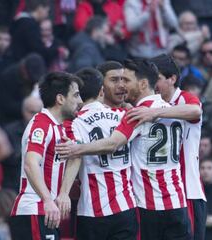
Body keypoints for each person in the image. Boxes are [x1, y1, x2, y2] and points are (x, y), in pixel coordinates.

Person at [56, 59, 191, 240]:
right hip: (177, 201)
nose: (123, 86)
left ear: (143, 84)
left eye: (127, 80)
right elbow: (196, 110)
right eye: (117, 80)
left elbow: (113, 144)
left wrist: (77, 149)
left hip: (148, 206)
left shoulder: (135, 115)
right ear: (101, 88)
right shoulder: (173, 110)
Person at [126, 54, 206, 240]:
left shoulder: (185, 99)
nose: (155, 85)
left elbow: (196, 111)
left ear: (172, 79)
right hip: (155, 193)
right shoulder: (146, 104)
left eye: (159, 79)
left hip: (187, 189)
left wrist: (154, 113)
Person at [56, 68, 137, 240]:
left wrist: (64, 192)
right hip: (125, 206)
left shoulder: (72, 123)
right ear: (101, 91)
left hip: (91, 210)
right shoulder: (125, 115)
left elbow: (74, 157)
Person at [9, 71, 83, 240]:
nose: (80, 101)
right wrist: (48, 200)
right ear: (60, 99)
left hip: (47, 212)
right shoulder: (40, 125)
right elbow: (30, 164)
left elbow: (76, 155)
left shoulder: (61, 127)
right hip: (34, 209)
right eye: (76, 95)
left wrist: (64, 193)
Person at [2, 96, 43, 193]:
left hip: (39, 186)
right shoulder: (9, 131)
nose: (35, 116)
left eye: (39, 112)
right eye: (31, 112)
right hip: (13, 187)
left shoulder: (50, 131)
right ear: (23, 111)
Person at [9, 0, 58, 66]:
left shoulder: (20, 21)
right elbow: (38, 50)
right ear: (40, 8)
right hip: (24, 66)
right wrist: (56, 51)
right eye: (47, 11)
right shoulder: (30, 25)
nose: (47, 15)